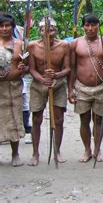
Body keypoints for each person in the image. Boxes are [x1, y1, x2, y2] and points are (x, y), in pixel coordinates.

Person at [68, 14, 103, 163]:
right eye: (87, 25)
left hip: (100, 86)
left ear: (98, 26)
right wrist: (70, 89)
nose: (90, 28)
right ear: (83, 26)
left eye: (93, 25)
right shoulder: (75, 43)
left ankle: (97, 149)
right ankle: (87, 149)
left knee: (99, 120)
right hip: (81, 87)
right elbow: (72, 68)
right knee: (84, 120)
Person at [28, 17, 70, 166]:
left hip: (58, 85)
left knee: (58, 119)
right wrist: (42, 79)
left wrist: (56, 75)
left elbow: (67, 68)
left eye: (51, 30)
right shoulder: (32, 46)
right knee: (37, 119)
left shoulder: (64, 46)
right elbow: (31, 69)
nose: (48, 33)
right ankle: (35, 153)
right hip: (39, 85)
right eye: (45, 30)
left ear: (55, 31)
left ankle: (57, 151)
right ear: (39, 32)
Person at [0, 12, 27, 166]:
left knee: (14, 118)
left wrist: (24, 68)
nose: (4, 29)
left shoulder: (20, 44)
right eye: (2, 26)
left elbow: (28, 65)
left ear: (12, 27)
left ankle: (15, 154)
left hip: (14, 87)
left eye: (7, 25)